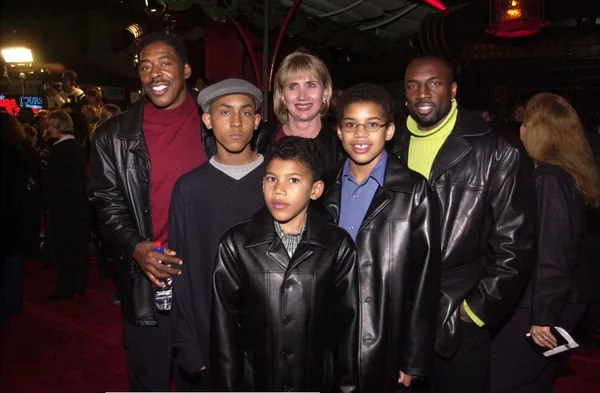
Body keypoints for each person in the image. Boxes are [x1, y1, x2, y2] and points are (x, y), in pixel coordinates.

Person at [392, 55, 536, 393]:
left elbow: (516, 243)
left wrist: (476, 309)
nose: (422, 93)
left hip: (457, 318)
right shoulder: (389, 146)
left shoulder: (498, 148)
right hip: (398, 316)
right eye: (413, 85)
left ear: (453, 89)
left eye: (434, 83)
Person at [87, 32, 215, 391]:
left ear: (186, 69)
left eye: (164, 63)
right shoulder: (113, 135)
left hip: (207, 278)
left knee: (203, 379)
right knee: (149, 381)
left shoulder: (217, 125)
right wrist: (135, 247)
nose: (154, 74)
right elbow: (105, 202)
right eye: (145, 67)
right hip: (149, 278)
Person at [210, 136, 359, 393]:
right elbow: (223, 332)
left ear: (316, 189)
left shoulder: (338, 246)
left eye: (293, 180)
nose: (278, 190)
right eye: (271, 179)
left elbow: (348, 329)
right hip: (255, 383)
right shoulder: (236, 244)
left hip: (315, 382)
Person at [320, 83, 441, 392]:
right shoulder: (322, 188)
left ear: (389, 131)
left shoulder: (413, 192)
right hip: (327, 342)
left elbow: (425, 280)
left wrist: (413, 358)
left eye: (372, 125)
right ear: (339, 132)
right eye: (351, 125)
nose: (361, 135)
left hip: (384, 342)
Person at [490, 93, 600, 392]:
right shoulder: (563, 175)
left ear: (537, 130)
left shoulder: (549, 179)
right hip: (559, 299)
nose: (520, 130)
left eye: (525, 123)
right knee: (536, 381)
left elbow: (552, 252)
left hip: (542, 303)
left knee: (499, 378)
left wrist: (543, 317)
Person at [170, 78, 266, 384]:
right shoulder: (189, 188)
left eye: (246, 112)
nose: (236, 122)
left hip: (270, 337)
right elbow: (179, 269)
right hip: (210, 334)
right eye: (225, 113)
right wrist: (187, 343)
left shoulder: (277, 181)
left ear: (258, 120)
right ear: (208, 121)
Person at [255, 51, 345, 173]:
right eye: (293, 87)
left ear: (325, 92)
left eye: (311, 85)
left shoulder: (341, 144)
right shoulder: (261, 139)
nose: (302, 96)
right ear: (282, 95)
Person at [42, 110, 89, 299]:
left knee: (65, 248)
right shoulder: (76, 147)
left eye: (50, 125)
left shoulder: (60, 149)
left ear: (58, 126)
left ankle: (66, 288)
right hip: (77, 206)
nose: (47, 129)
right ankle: (77, 285)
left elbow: (54, 182)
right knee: (76, 248)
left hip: (64, 207)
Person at [0, 113, 29, 324]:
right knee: (13, 258)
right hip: (15, 211)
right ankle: (16, 304)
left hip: (7, 209)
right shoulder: (18, 152)